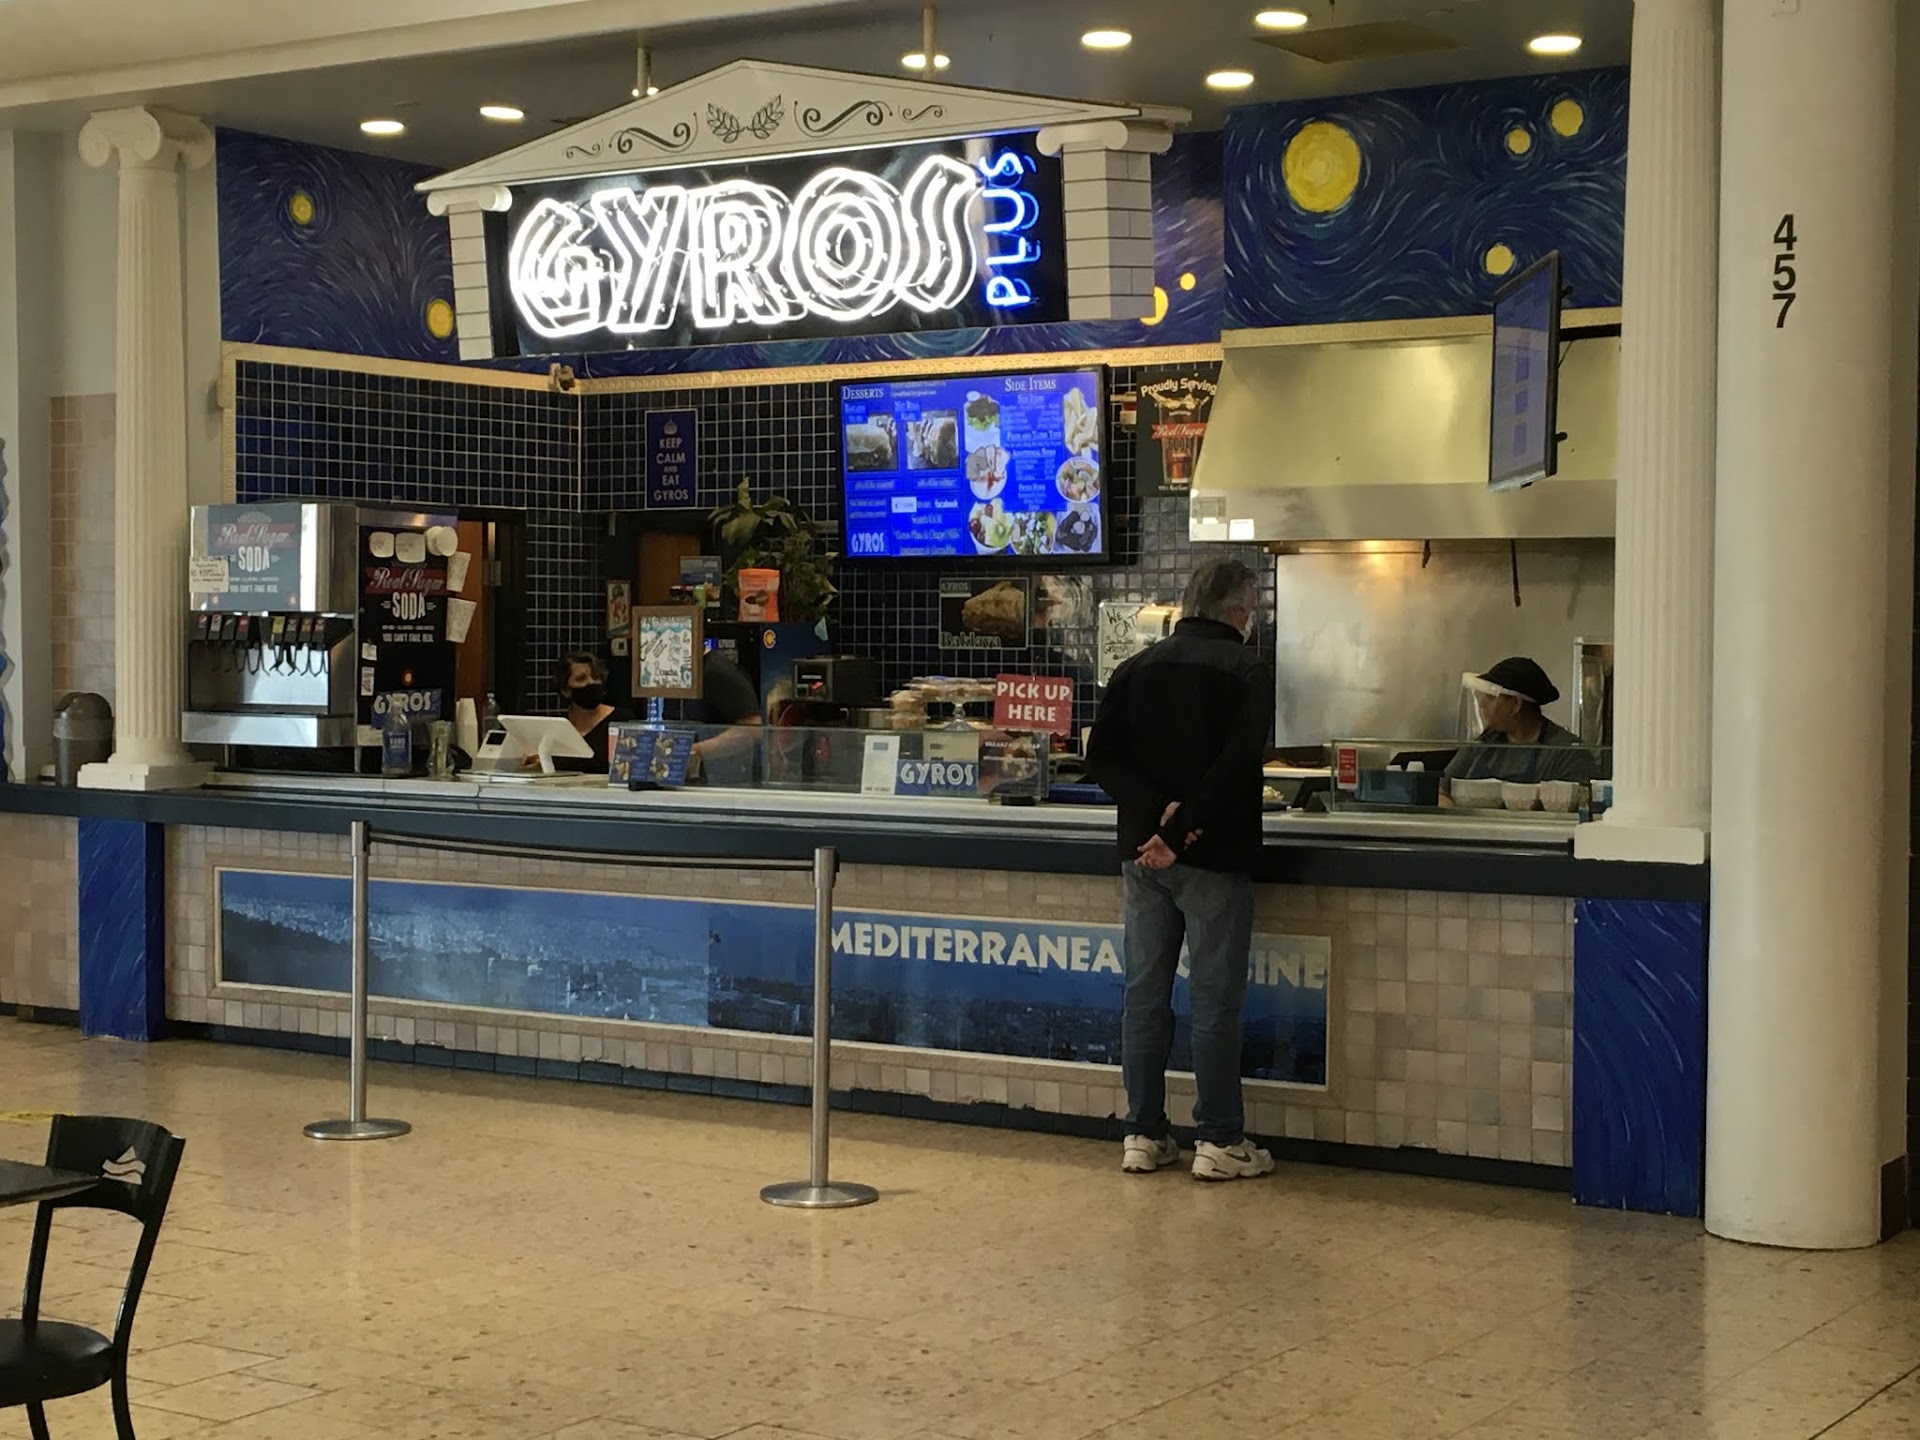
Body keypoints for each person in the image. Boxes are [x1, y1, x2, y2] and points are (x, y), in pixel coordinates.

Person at [1085, 558, 1277, 1182]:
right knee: (1214, 1001)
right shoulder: (1247, 670)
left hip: (1142, 857)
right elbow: (1238, 764)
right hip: (1213, 856)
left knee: (1144, 996)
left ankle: (1143, 1133)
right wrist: (1182, 827)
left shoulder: (1135, 668)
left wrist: (1155, 821)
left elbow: (1101, 756)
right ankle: (1218, 1139)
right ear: (1239, 611)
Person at [1444, 656, 1597, 785]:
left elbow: (1580, 807)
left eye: (1491, 697)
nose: (1482, 704)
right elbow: (1442, 790)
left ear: (1516, 704)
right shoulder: (1483, 744)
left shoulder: (1568, 754)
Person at [667, 648, 763, 785]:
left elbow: (753, 730)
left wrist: (692, 751)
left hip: (723, 784)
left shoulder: (720, 672)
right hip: (686, 783)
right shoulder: (674, 675)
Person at [551, 651, 632, 775]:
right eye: (581, 679)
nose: (591, 682)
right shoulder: (557, 729)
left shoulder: (622, 722)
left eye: (595, 677)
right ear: (565, 690)